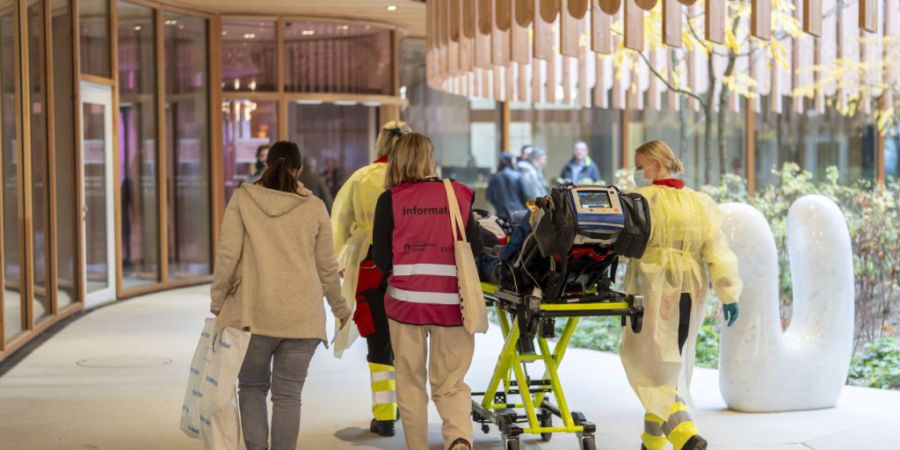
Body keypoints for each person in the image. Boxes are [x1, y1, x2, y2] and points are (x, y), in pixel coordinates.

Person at [210, 141, 351, 450]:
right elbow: (328, 268)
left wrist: (217, 300)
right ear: (298, 170)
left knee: (252, 387)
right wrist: (340, 309)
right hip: (302, 320)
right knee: (288, 396)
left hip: (253, 315)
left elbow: (227, 255)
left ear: (267, 165)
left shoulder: (243, 199)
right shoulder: (314, 207)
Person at [620, 140, 742, 450]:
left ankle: (685, 435)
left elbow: (620, 245)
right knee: (666, 364)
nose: (638, 172)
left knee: (648, 367)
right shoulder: (700, 202)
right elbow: (718, 251)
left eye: (640, 165)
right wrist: (728, 292)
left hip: (654, 289)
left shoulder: (641, 200)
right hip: (692, 291)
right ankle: (652, 440)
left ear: (657, 164)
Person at [372, 133, 483, 450]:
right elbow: (475, 248)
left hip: (406, 307)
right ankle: (458, 438)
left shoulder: (390, 200)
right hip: (453, 307)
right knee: (450, 383)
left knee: (410, 382)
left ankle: (418, 445)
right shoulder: (457, 194)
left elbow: (382, 259)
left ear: (397, 160)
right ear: (430, 158)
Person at [331, 120, 412, 437]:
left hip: (368, 268)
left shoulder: (361, 178)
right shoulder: (416, 181)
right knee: (409, 343)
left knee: (378, 343)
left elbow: (340, 224)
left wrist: (343, 264)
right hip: (410, 268)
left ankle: (385, 415)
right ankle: (410, 409)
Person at [486, 152, 528, 221]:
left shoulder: (495, 177)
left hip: (501, 213)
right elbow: (525, 196)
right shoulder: (518, 176)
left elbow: (489, 197)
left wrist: (498, 206)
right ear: (511, 161)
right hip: (518, 212)